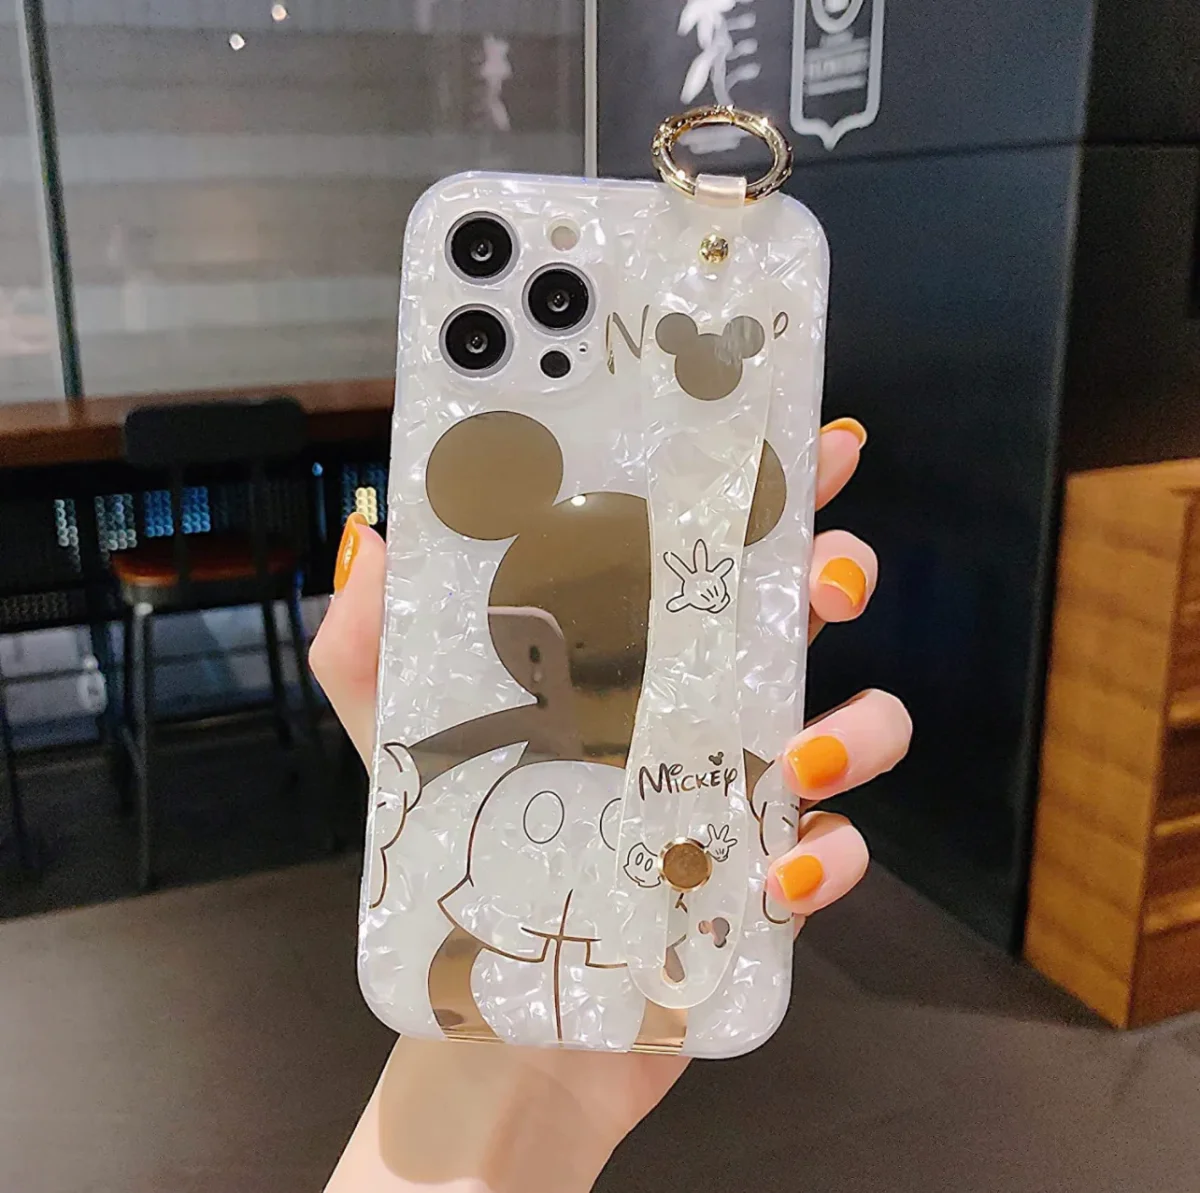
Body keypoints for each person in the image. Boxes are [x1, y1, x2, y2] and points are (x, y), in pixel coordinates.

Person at [310, 416, 911, 1192]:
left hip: (576, 833)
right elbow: (480, 736)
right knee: (482, 933)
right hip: (534, 836)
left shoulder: (654, 727)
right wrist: (417, 773)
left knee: (494, 933)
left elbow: (476, 739)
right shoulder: (563, 715)